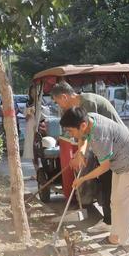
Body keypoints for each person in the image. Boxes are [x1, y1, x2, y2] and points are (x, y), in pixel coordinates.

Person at [60, 107, 129, 256]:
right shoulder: (89, 117)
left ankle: (127, 246)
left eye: (71, 131)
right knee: (115, 202)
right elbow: (83, 137)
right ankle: (114, 238)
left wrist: (82, 179)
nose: (71, 135)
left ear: (82, 125)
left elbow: (104, 167)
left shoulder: (100, 136)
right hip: (120, 164)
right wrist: (80, 152)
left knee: (125, 206)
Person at [51, 81, 123, 233]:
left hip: (116, 146)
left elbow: (86, 132)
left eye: (58, 102)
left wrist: (80, 154)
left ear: (64, 97)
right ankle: (110, 221)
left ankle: (117, 225)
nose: (59, 106)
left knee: (113, 187)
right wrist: (79, 154)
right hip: (106, 146)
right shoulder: (80, 104)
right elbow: (83, 136)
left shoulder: (88, 103)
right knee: (106, 185)